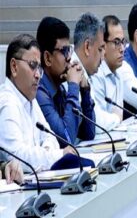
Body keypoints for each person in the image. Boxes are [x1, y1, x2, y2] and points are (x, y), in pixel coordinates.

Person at [0, 34, 75, 171]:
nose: (38, 75)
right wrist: (57, 155)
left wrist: (47, 150)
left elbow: (50, 137)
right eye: (32, 66)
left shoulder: (30, 99)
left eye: (39, 68)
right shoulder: (7, 103)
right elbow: (16, 156)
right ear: (14, 67)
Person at [36, 16, 96, 147]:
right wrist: (73, 86)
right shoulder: (39, 92)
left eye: (69, 50)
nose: (69, 58)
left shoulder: (60, 89)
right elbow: (66, 139)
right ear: (47, 58)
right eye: (64, 51)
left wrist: (85, 89)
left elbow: (89, 133)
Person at [89, 15, 127, 131]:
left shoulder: (119, 74)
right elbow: (98, 125)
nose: (122, 49)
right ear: (103, 45)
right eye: (116, 42)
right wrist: (116, 118)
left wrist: (116, 118)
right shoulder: (96, 74)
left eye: (123, 42)